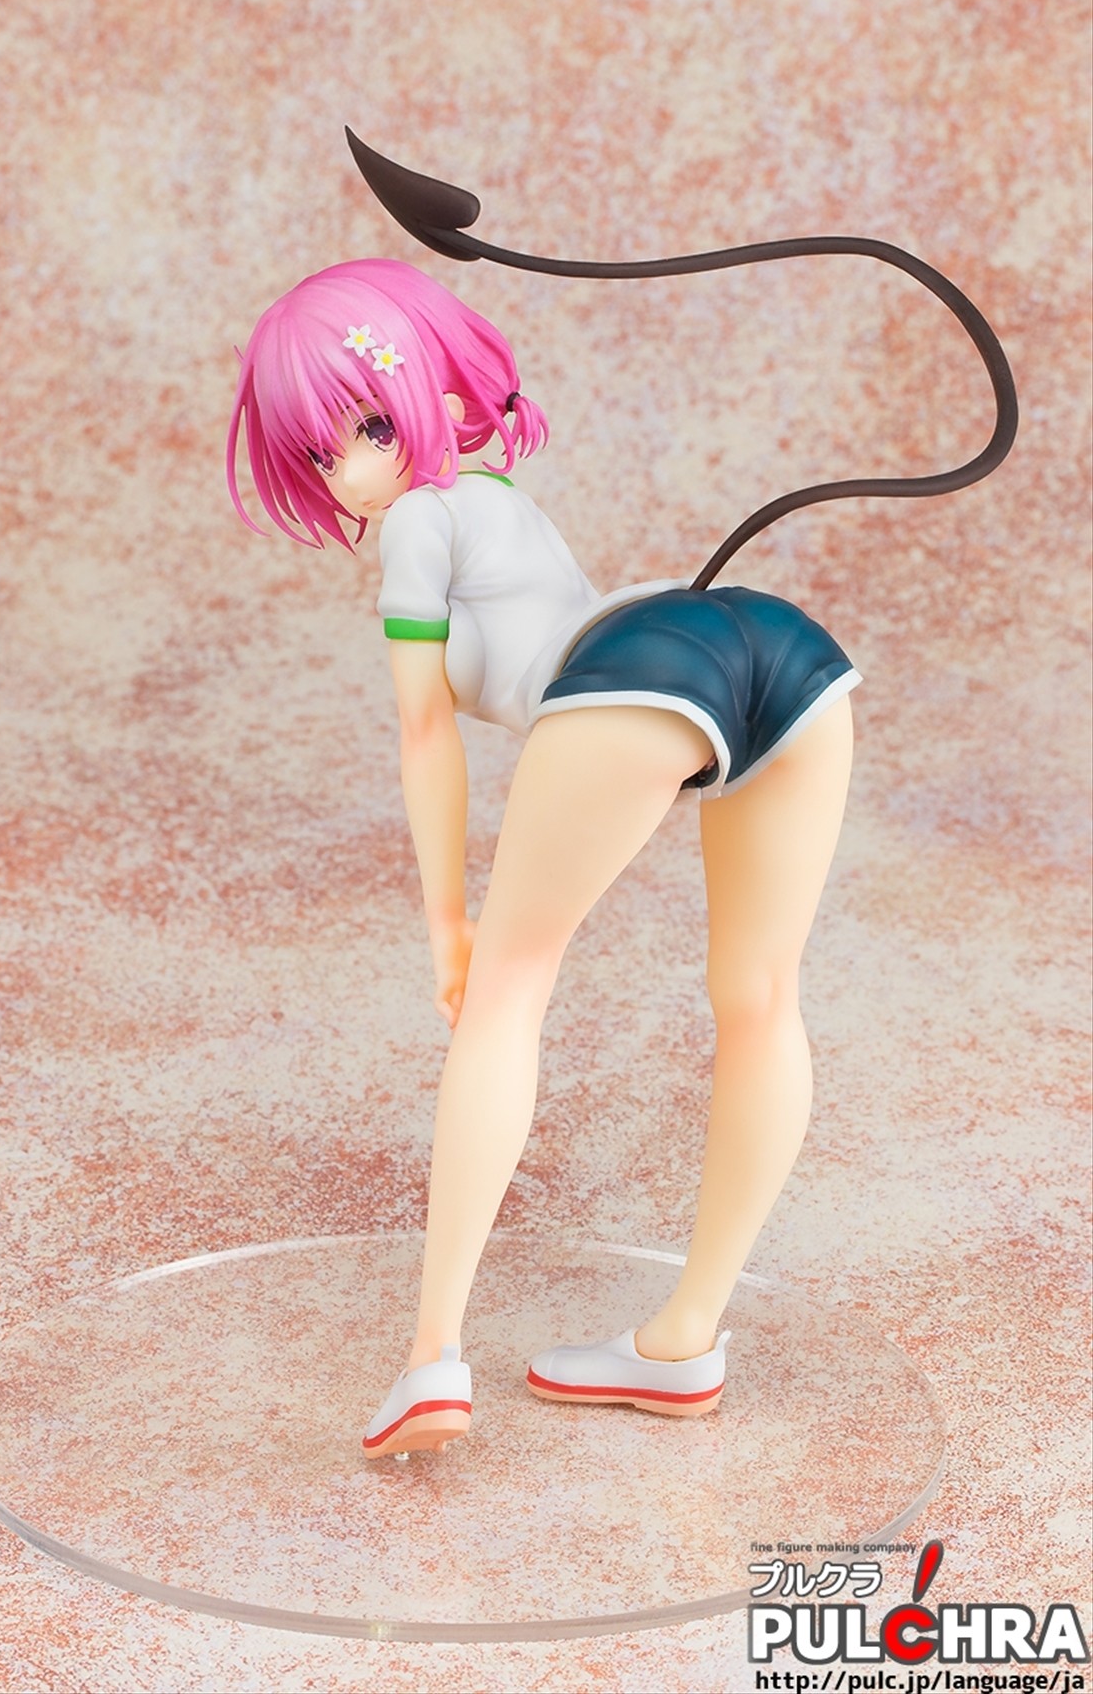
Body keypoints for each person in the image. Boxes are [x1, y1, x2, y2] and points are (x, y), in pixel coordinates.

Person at [228, 257, 857, 1459]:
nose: (349, 466)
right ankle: (681, 1342)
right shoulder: (495, 493)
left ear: (428, 390)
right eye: (319, 450)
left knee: (506, 991)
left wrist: (447, 925)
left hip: (638, 672)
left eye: (367, 425)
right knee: (762, 997)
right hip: (775, 647)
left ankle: (433, 1361)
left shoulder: (418, 523)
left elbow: (426, 734)